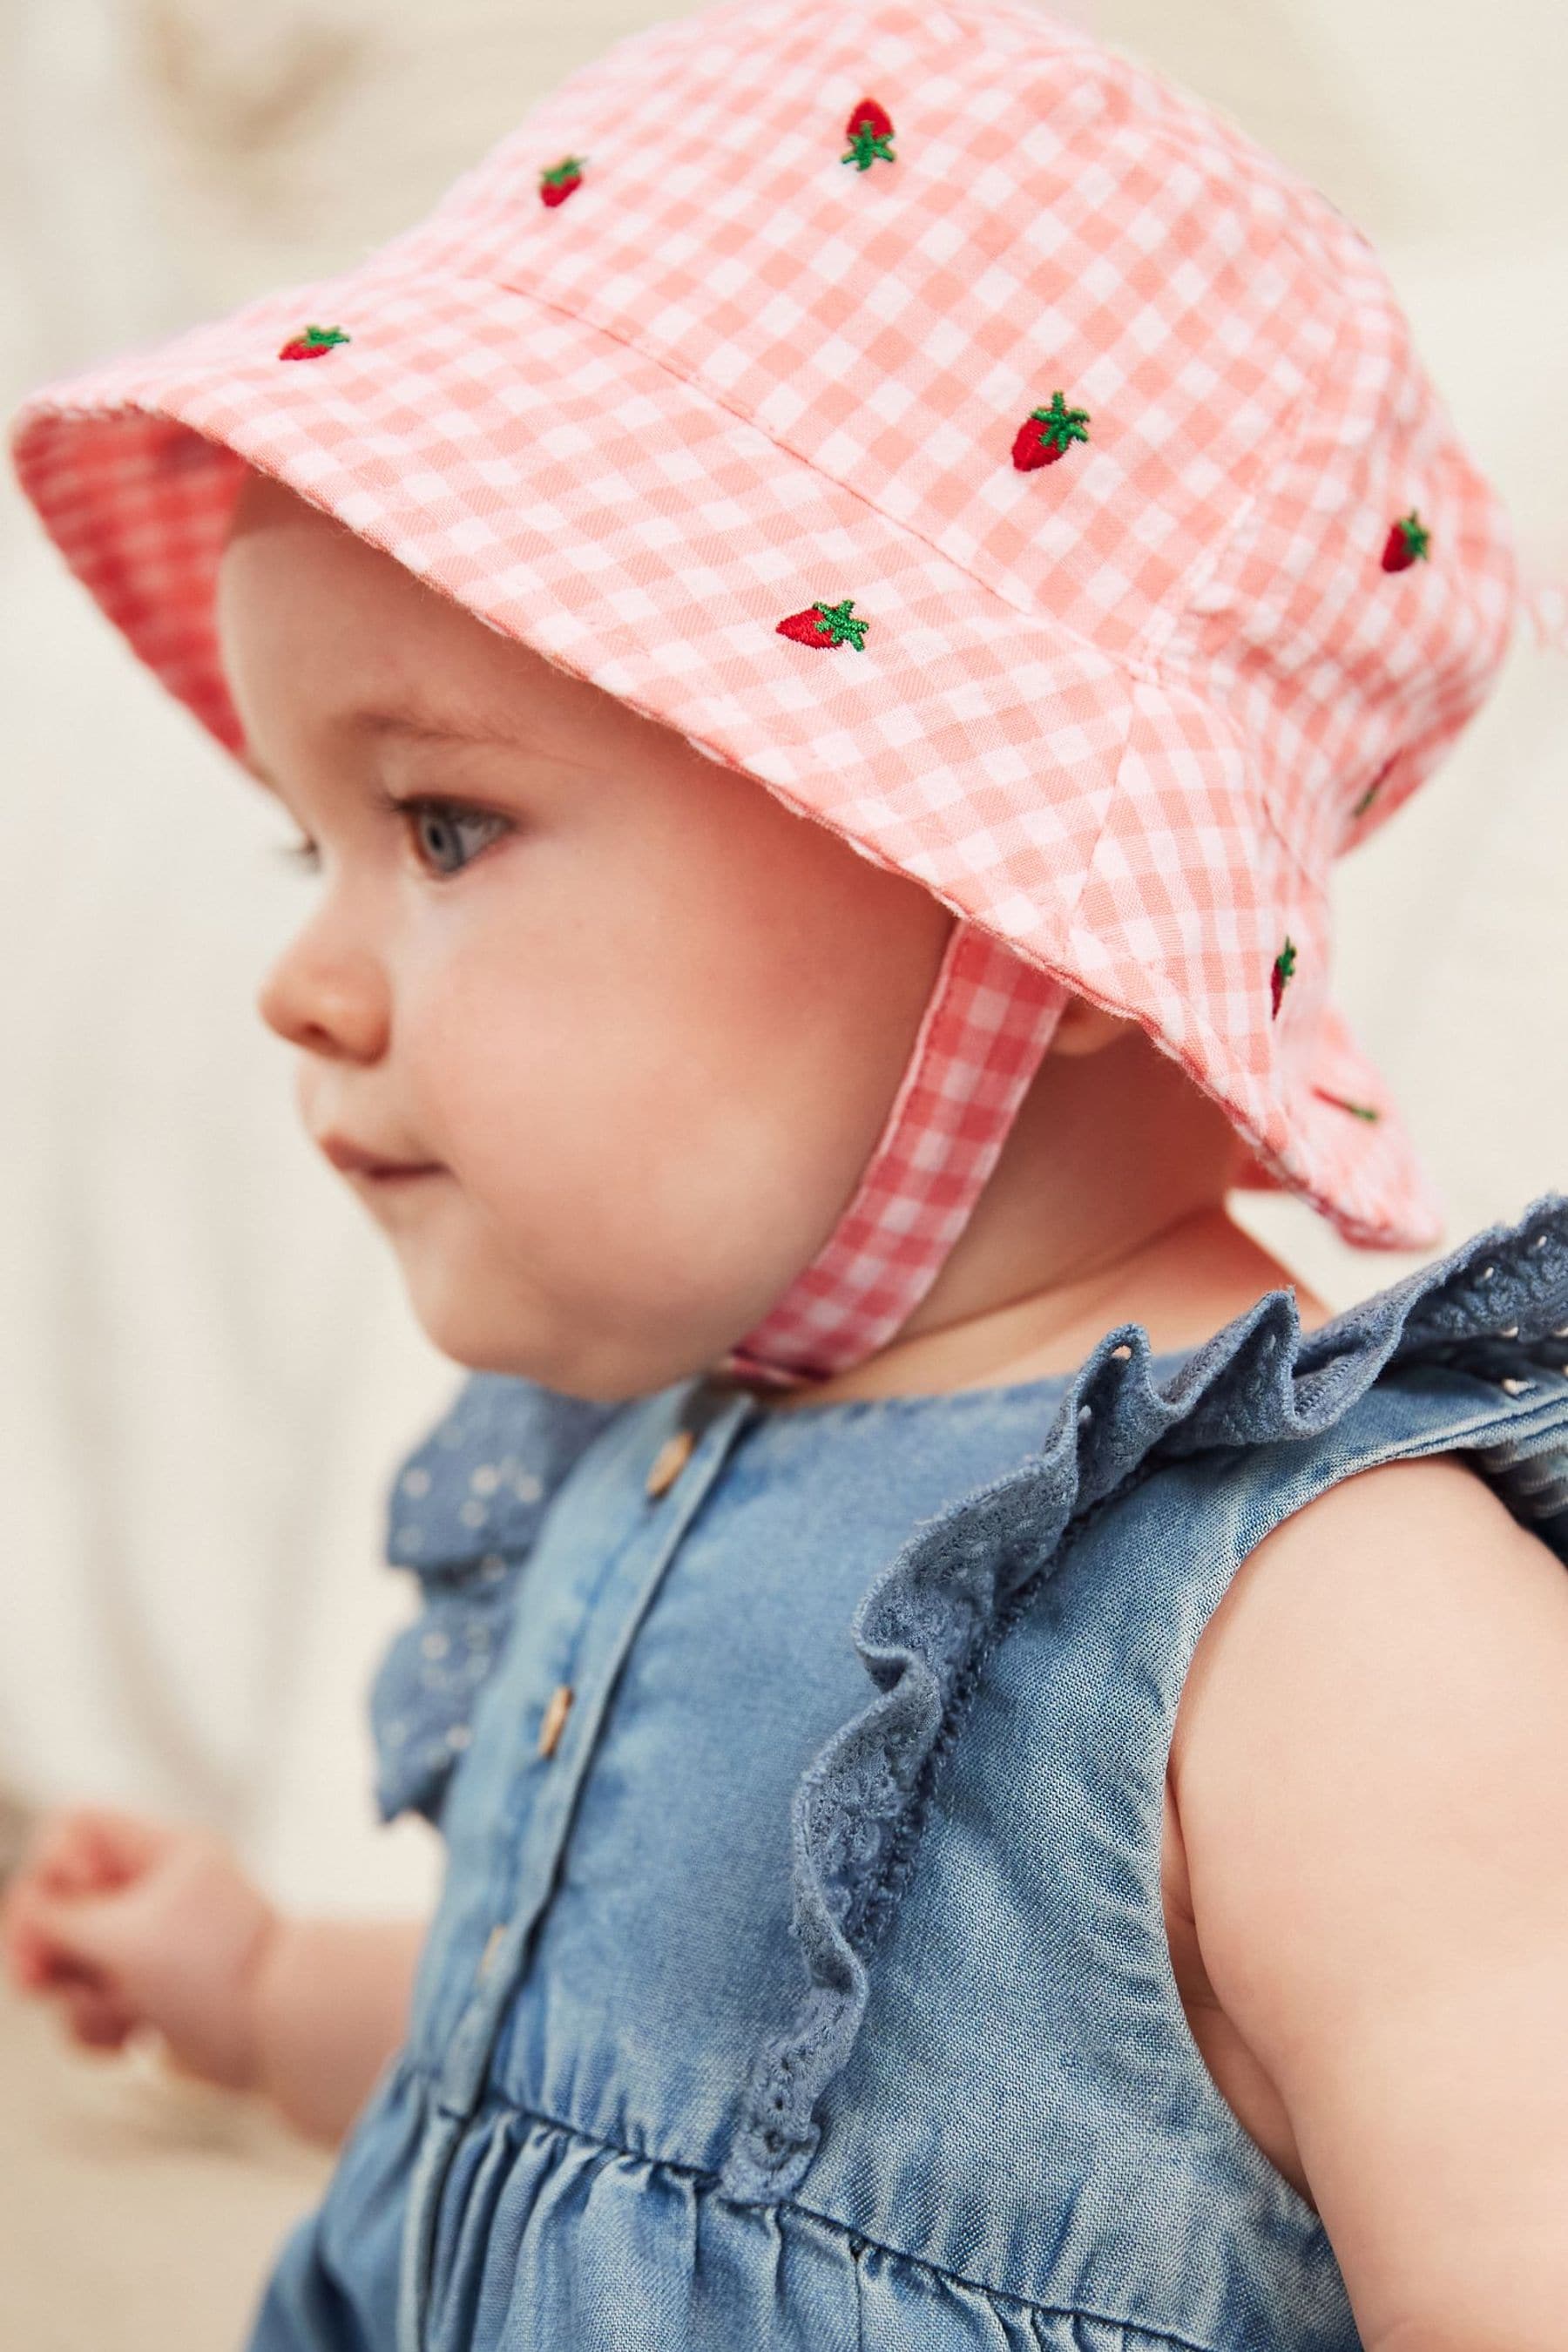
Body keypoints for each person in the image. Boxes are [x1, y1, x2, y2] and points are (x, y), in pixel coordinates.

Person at [4, 3, 1568, 2346]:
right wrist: (262, 1993)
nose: (301, 983)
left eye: (442, 823)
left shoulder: (1330, 1626)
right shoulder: (651, 1457)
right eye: (300, 840)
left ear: (1020, 905)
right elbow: (575, 2078)